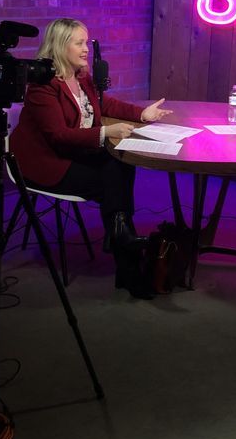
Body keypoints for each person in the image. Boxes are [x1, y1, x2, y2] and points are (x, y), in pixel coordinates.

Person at [10, 17, 171, 297]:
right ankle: (127, 260)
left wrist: (141, 113)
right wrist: (106, 131)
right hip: (48, 162)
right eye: (79, 43)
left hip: (75, 152)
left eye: (87, 41)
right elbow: (58, 136)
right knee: (114, 178)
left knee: (119, 165)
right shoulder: (42, 87)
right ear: (61, 47)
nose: (87, 49)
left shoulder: (81, 76)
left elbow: (104, 102)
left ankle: (121, 240)